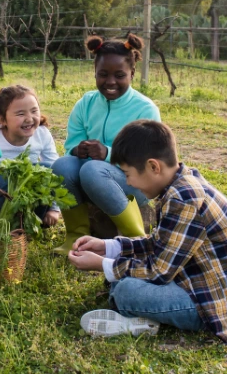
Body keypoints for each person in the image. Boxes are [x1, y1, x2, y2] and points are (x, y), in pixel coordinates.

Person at [67, 119, 227, 340]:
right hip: (202, 282)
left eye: (127, 174)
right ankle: (136, 312)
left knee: (126, 291)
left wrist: (101, 264)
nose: (130, 183)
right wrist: (109, 247)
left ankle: (136, 319)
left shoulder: (183, 198)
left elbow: (158, 271)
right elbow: (159, 244)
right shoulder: (181, 185)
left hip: (221, 307)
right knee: (121, 280)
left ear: (154, 167)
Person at [52, 34, 159, 240]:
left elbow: (146, 162)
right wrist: (77, 149)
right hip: (94, 178)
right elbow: (71, 144)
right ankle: (76, 236)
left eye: (119, 75)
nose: (110, 82)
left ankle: (135, 239)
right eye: (103, 74)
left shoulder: (145, 109)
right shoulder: (87, 103)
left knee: (94, 169)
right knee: (62, 166)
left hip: (135, 186)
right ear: (95, 73)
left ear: (132, 73)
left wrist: (108, 153)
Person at [0, 84, 63, 227]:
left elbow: (56, 172)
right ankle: (4, 226)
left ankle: (31, 224)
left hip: (25, 195)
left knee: (49, 169)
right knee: (10, 179)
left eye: (34, 111)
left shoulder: (42, 134)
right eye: (21, 114)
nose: (29, 118)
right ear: (2, 120)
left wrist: (54, 208)